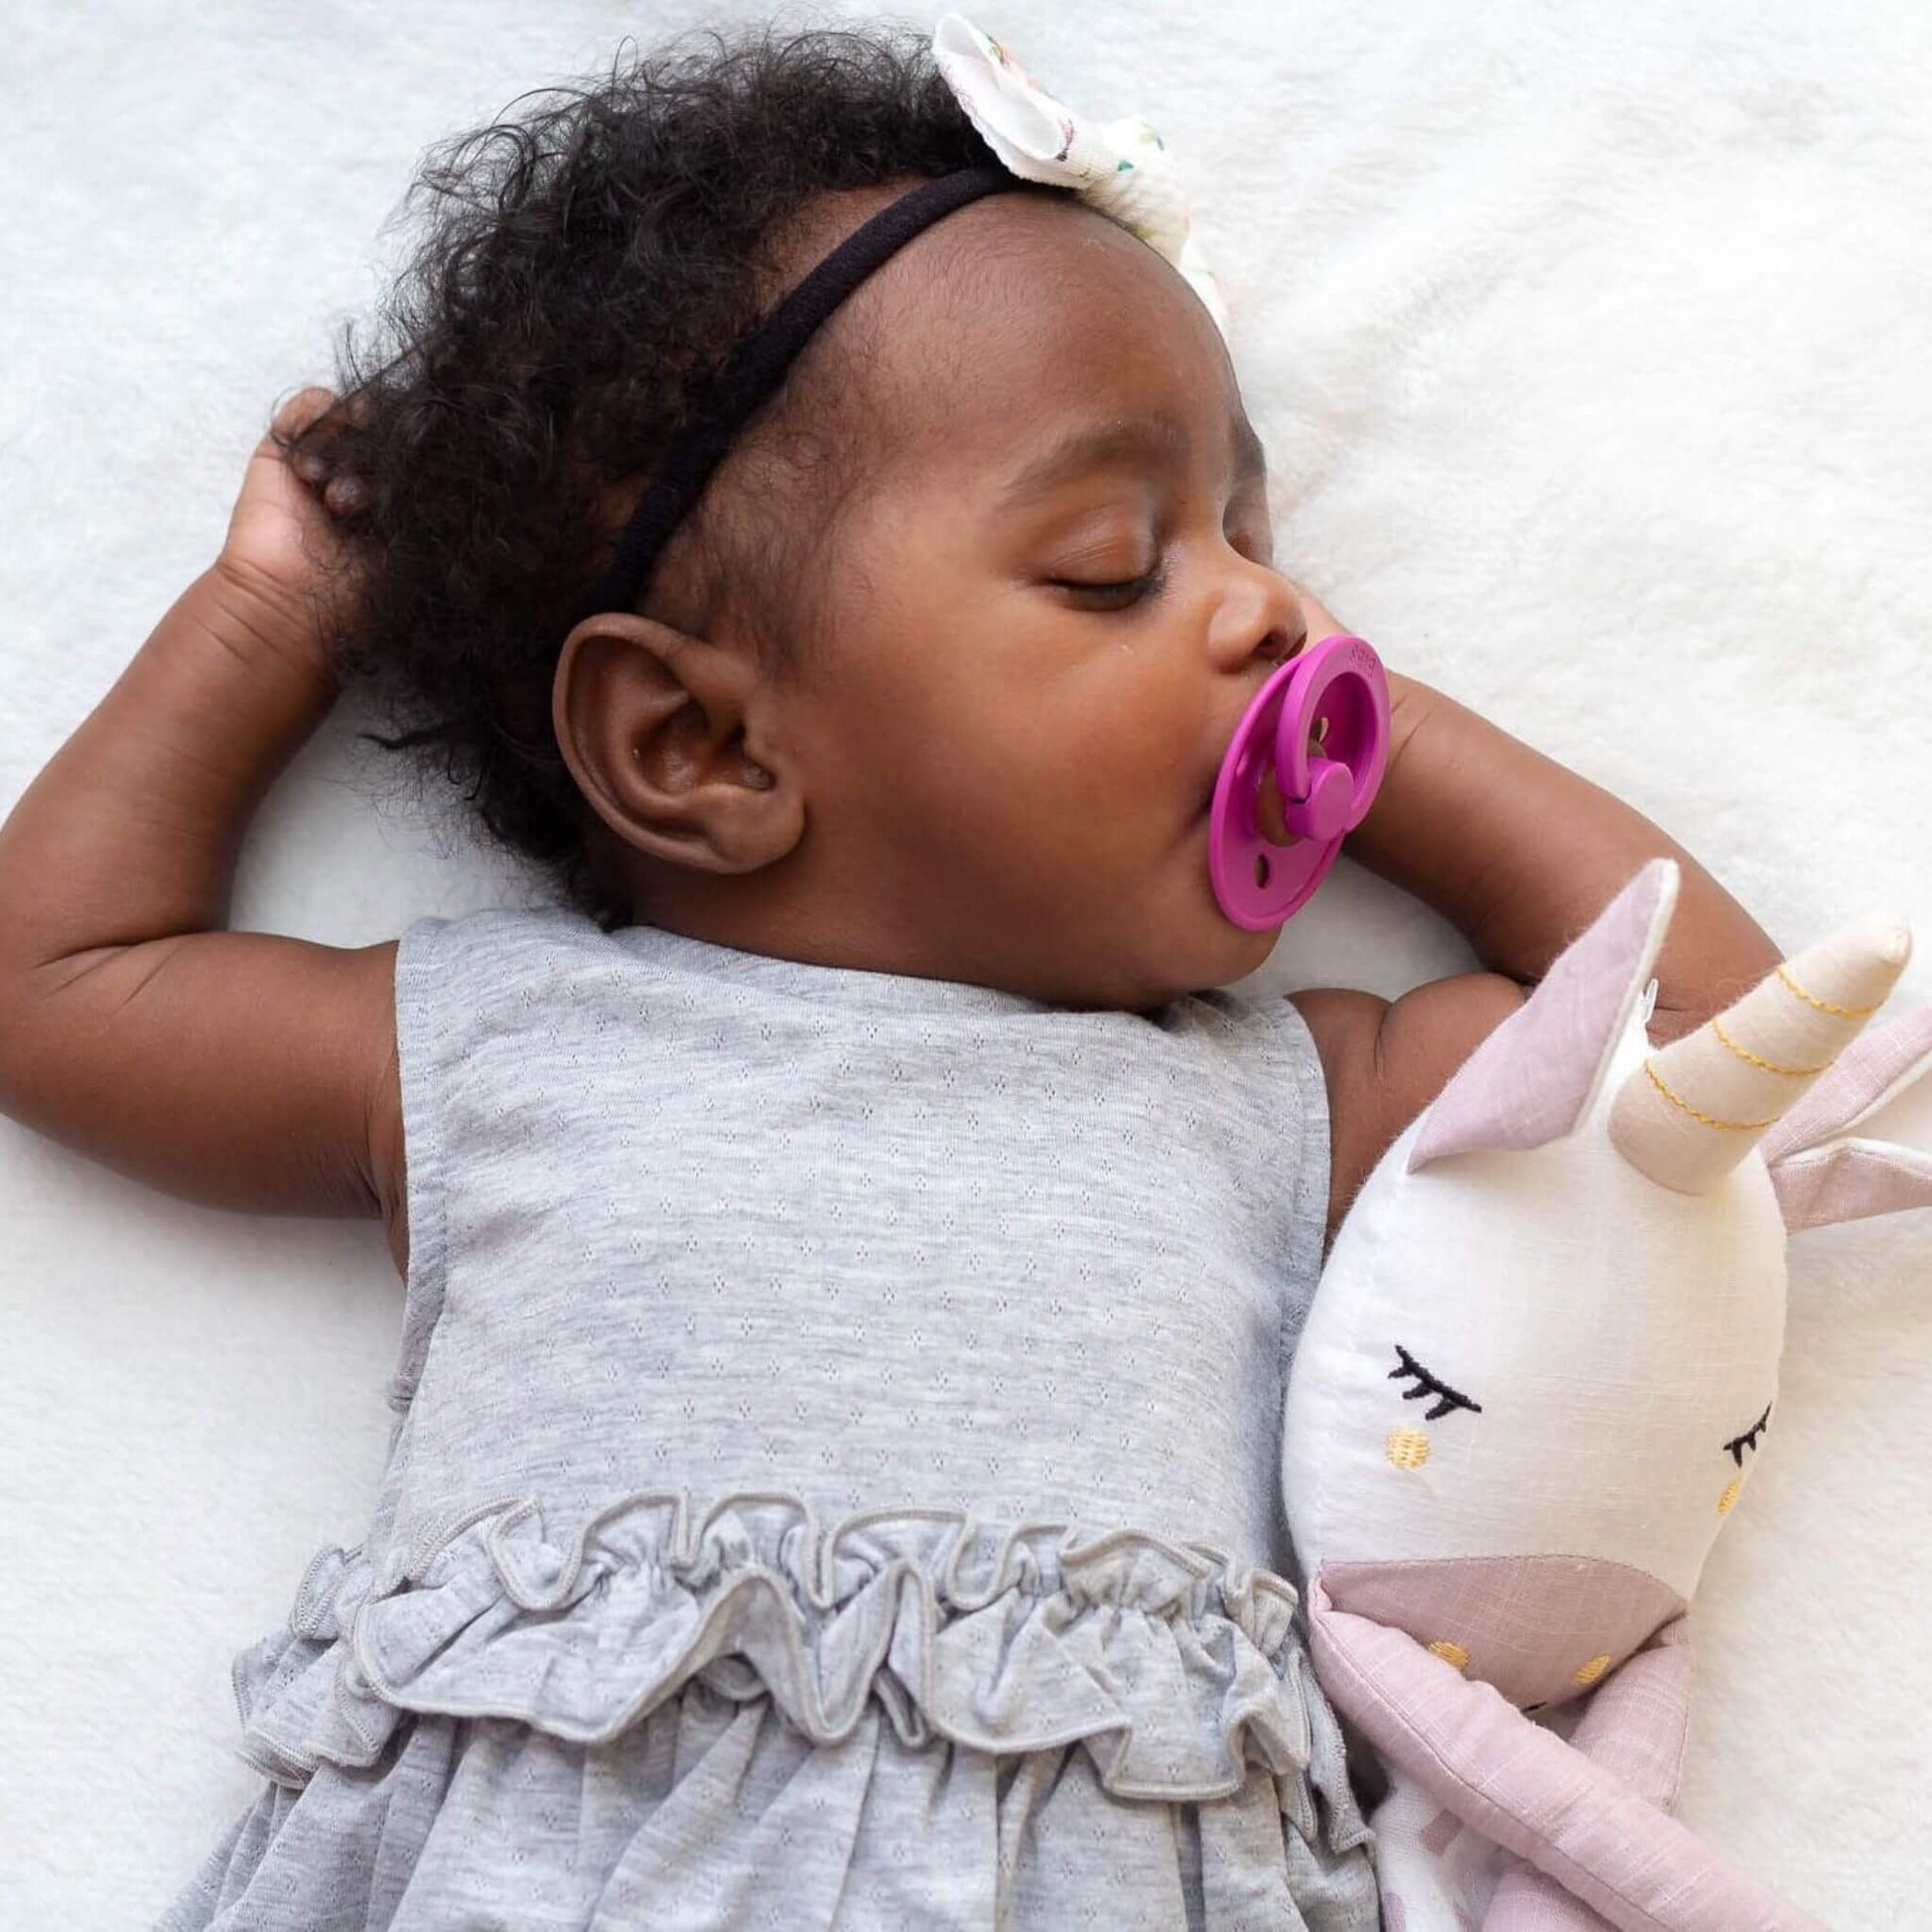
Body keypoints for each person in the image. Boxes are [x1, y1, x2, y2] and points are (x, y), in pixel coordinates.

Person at [0, 16, 1780, 1929]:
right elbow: (61, 977)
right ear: (699, 746)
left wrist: (1375, 730)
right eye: (1114, 562)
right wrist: (273, 613)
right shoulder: (503, 1043)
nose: (1266, 609)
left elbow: (1710, 1043)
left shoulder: (1271, 1089)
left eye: (1253, 542)